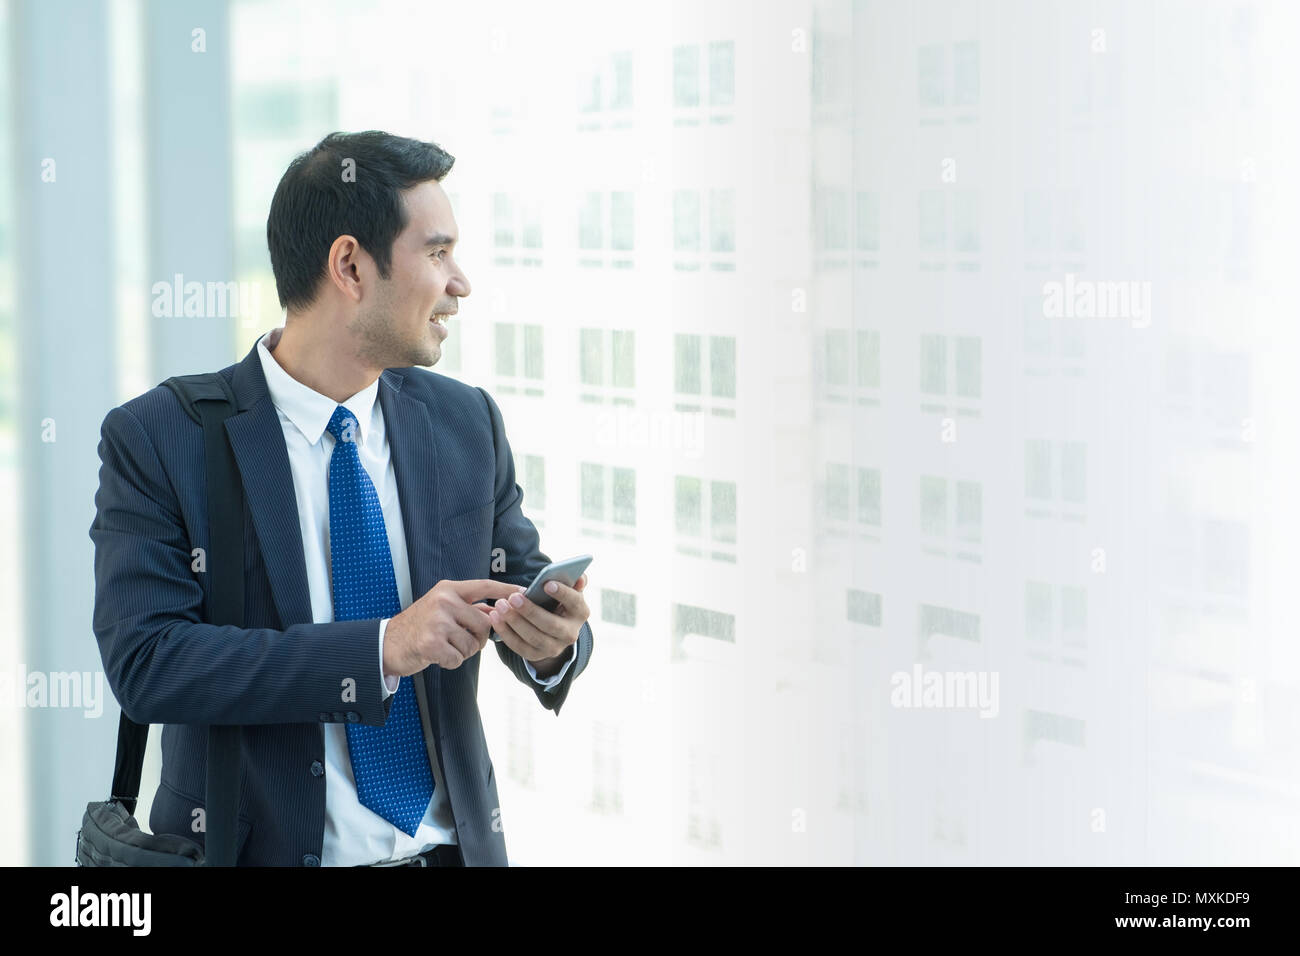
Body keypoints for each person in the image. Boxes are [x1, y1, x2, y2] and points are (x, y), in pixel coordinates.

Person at [88, 130, 593, 866]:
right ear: (350, 265)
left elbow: (517, 586)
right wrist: (382, 648)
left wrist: (553, 643)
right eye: (437, 252)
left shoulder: (464, 422)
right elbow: (150, 664)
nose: (461, 283)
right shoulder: (163, 436)